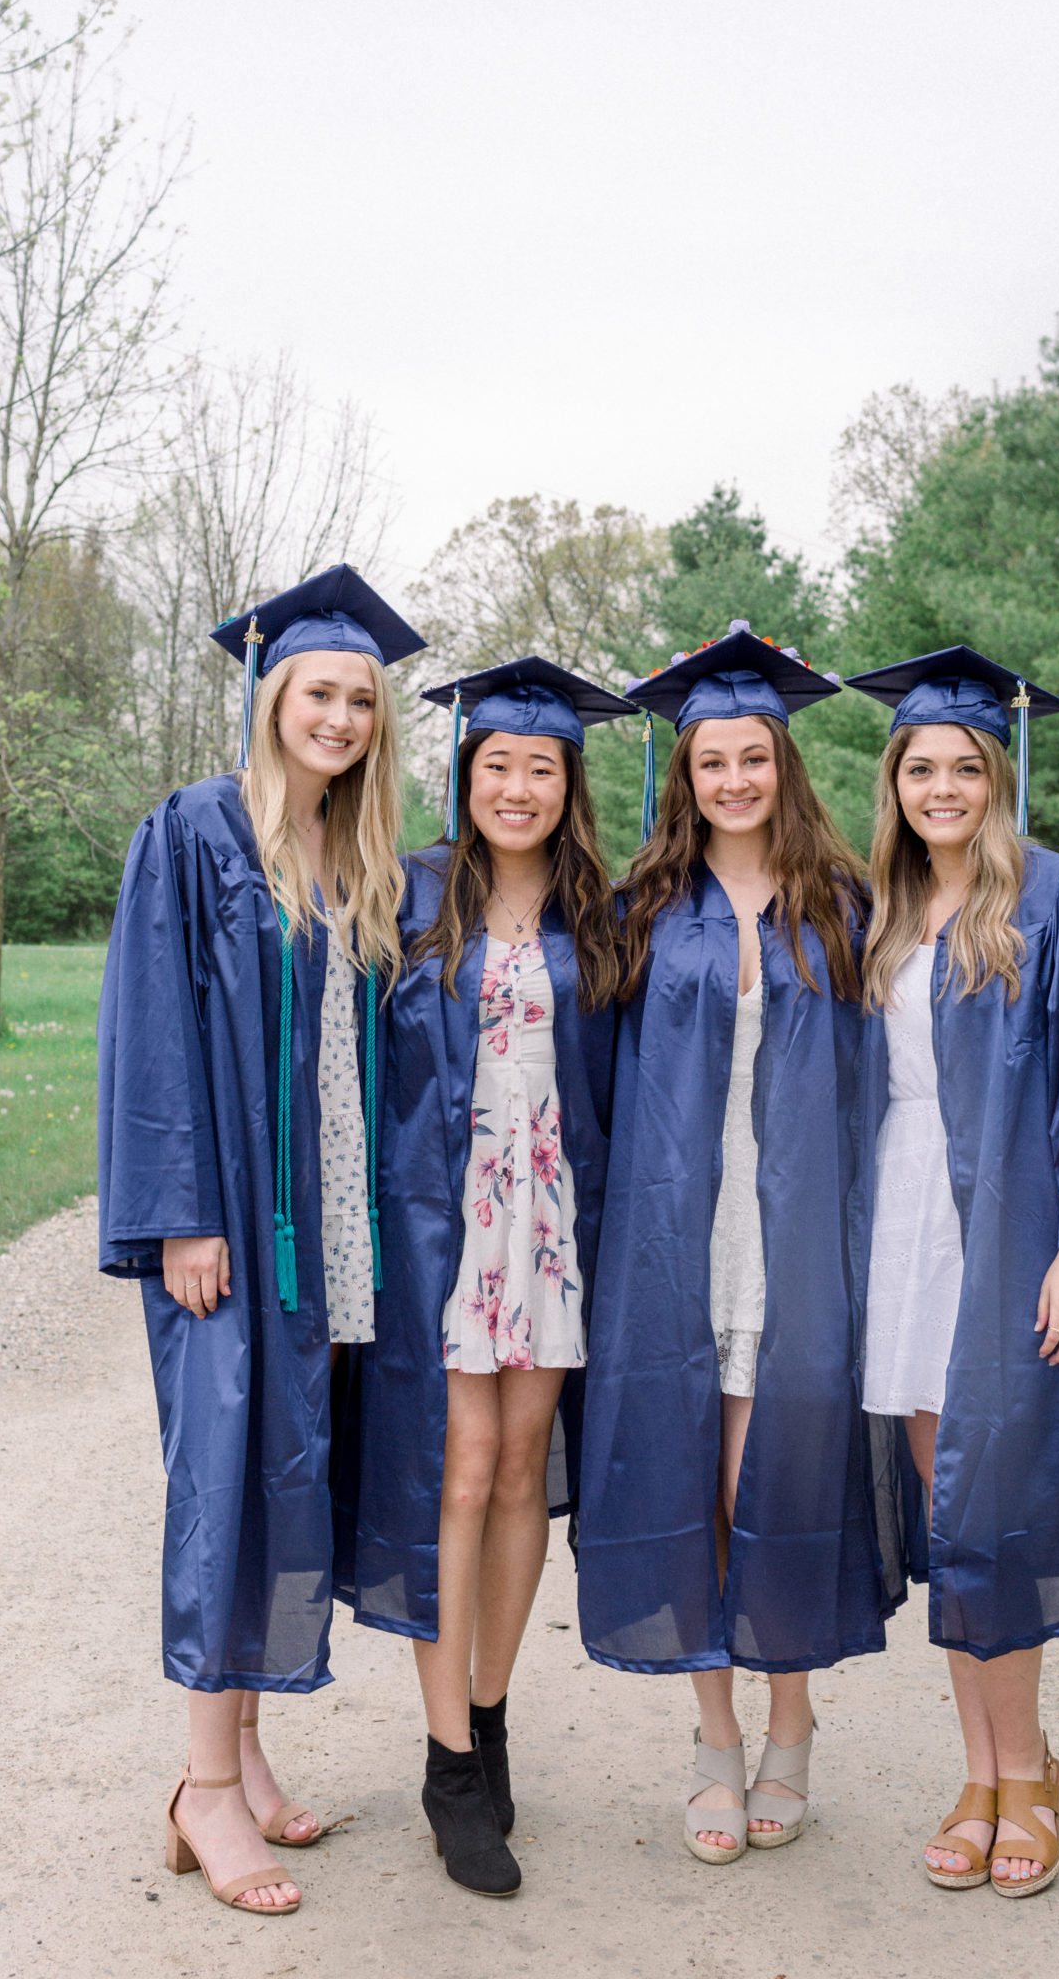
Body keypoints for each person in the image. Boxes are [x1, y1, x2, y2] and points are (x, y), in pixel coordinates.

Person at [845, 645, 1059, 1898]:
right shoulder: (878, 911)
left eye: (964, 767)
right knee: (955, 1516)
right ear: (893, 784)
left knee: (998, 1506)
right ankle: (985, 1772)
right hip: (902, 1229)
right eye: (920, 767)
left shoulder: (1058, 896)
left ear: (996, 779)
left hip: (1009, 1231)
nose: (942, 787)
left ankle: (1029, 1766)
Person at [98, 566, 424, 1915]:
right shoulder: (192, 834)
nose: (338, 715)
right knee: (227, 1480)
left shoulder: (359, 860)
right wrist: (180, 1216)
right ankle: (201, 1789)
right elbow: (152, 1032)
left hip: (328, 1234)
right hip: (231, 1222)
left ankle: (244, 1755)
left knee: (289, 1473)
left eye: (359, 698)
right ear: (269, 696)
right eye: (318, 692)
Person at [577, 622, 890, 1868]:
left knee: (785, 1476)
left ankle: (793, 1723)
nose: (734, 780)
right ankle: (715, 1735)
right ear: (685, 774)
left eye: (753, 757)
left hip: (798, 1235)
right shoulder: (643, 905)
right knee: (696, 1479)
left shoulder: (851, 901)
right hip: (675, 1238)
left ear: (784, 766)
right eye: (712, 762)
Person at [334, 658, 631, 1897]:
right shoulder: (403, 895)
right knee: (452, 1471)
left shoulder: (604, 920)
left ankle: (492, 1711)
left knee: (522, 1473)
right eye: (498, 764)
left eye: (541, 767)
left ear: (569, 786)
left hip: (551, 1229)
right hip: (439, 1230)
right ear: (466, 774)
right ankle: (449, 1758)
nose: (518, 786)